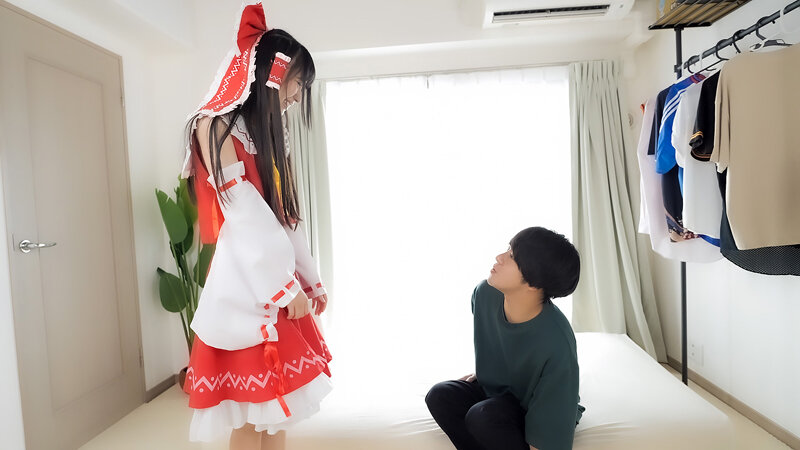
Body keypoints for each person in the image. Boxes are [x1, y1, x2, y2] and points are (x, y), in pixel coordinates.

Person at [179, 2, 331, 449]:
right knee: (249, 416)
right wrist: (286, 287)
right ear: (274, 73)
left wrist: (308, 277)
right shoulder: (214, 126)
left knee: (276, 413)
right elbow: (243, 213)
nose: (297, 97)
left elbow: (284, 217)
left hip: (274, 276)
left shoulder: (267, 133)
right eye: (298, 83)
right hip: (245, 282)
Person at [426, 227, 584, 450]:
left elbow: (554, 413)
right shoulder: (484, 294)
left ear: (533, 282)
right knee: (440, 396)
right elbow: (500, 342)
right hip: (499, 395)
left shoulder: (557, 342)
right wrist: (487, 372)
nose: (499, 257)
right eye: (508, 249)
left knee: (482, 417)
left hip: (537, 407)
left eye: (512, 257)